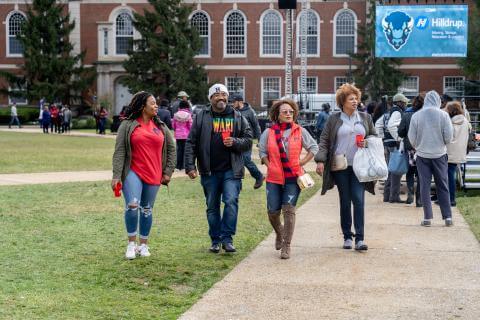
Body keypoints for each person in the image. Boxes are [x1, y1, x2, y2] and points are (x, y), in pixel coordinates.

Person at [184, 83, 252, 254]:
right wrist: (190, 166)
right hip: (210, 170)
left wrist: (235, 142)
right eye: (216, 95)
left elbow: (249, 140)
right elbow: (191, 142)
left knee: (230, 202)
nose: (221, 97)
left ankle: (227, 239)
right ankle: (215, 240)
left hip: (232, 169)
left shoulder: (237, 116)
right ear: (211, 98)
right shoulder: (201, 116)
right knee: (212, 206)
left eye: (223, 94)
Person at [112, 91, 176, 259]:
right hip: (132, 171)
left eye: (156, 103)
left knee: (147, 209)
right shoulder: (128, 125)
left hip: (154, 173)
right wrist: (116, 176)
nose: (156, 106)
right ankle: (131, 244)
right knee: (133, 205)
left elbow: (172, 149)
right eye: (153, 103)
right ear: (142, 106)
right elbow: (119, 151)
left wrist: (168, 171)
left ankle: (144, 245)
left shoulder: (161, 126)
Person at [315, 83, 376, 251]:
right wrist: (320, 160)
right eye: (351, 99)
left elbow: (374, 137)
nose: (355, 101)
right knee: (345, 200)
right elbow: (324, 140)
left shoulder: (365, 118)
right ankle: (347, 236)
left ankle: (360, 239)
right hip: (340, 166)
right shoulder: (333, 119)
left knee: (358, 199)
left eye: (356, 98)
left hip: (359, 166)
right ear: (343, 101)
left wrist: (367, 142)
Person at [258, 98, 318, 259]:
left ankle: (287, 245)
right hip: (274, 177)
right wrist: (269, 165)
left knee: (289, 210)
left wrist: (302, 162)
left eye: (291, 112)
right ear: (277, 114)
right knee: (272, 211)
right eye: (285, 111)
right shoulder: (268, 132)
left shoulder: (300, 131)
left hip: (294, 177)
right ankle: (279, 232)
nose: (288, 114)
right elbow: (262, 152)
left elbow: (314, 147)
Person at [408, 90, 453, 227]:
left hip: (422, 155)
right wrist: (441, 144)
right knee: (443, 185)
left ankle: (427, 217)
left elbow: (411, 137)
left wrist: (418, 146)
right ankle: (448, 217)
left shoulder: (416, 116)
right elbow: (449, 137)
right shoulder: (444, 115)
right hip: (439, 155)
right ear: (438, 101)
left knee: (424, 186)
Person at [375, 93, 408, 203]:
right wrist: (398, 138)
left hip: (388, 143)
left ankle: (387, 195)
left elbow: (378, 125)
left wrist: (382, 138)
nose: (406, 104)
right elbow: (391, 126)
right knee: (396, 171)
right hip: (394, 144)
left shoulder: (387, 113)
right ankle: (394, 196)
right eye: (404, 102)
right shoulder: (397, 112)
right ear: (399, 103)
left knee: (391, 169)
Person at [232, 94, 265, 189]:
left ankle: (259, 176)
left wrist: (260, 140)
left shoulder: (250, 111)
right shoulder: (233, 111)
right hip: (236, 140)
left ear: (240, 102)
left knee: (245, 159)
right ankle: (238, 184)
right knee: (236, 161)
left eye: (234, 102)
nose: (232, 104)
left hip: (247, 139)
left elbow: (256, 126)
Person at [398, 94, 424, 207]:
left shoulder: (407, 114)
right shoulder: (427, 115)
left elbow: (400, 132)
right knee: (422, 174)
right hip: (424, 148)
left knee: (410, 172)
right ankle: (419, 198)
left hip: (411, 148)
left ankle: (410, 194)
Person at [445, 101, 469, 207]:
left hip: (448, 152)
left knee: (448, 177)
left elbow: (447, 137)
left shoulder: (450, 122)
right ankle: (450, 198)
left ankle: (451, 199)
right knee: (451, 176)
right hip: (459, 152)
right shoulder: (465, 121)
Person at [173, 100, 192, 170]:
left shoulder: (175, 115)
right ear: (187, 106)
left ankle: (178, 166)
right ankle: (184, 166)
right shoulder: (188, 115)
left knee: (179, 150)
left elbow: (173, 125)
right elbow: (190, 125)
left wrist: (176, 130)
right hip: (186, 135)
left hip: (178, 135)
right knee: (185, 151)